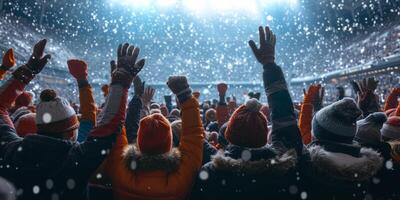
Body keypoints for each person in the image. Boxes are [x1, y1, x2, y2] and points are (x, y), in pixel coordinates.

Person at [0, 40, 145, 200]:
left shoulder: (11, 150)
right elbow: (107, 127)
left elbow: (108, 128)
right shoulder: (76, 159)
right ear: (70, 133)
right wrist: (120, 81)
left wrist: (27, 71)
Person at [192, 26, 303, 200]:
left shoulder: (212, 173)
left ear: (229, 135)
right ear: (265, 134)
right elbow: (286, 122)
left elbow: (195, 139)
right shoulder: (284, 168)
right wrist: (269, 65)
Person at [102, 76, 204, 200]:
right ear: (169, 141)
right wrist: (184, 96)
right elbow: (193, 137)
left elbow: (114, 124)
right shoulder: (180, 177)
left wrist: (117, 88)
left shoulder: (122, 170)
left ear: (139, 140)